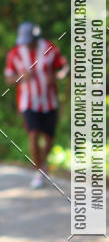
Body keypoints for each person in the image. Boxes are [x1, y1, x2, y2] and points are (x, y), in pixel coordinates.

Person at [4, 21, 69, 188]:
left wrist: (56, 77)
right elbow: (9, 78)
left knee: (49, 138)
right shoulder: (15, 54)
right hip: (28, 102)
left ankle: (43, 163)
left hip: (49, 101)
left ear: (35, 38)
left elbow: (64, 69)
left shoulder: (49, 48)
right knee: (33, 134)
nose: (27, 45)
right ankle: (39, 171)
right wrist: (21, 77)